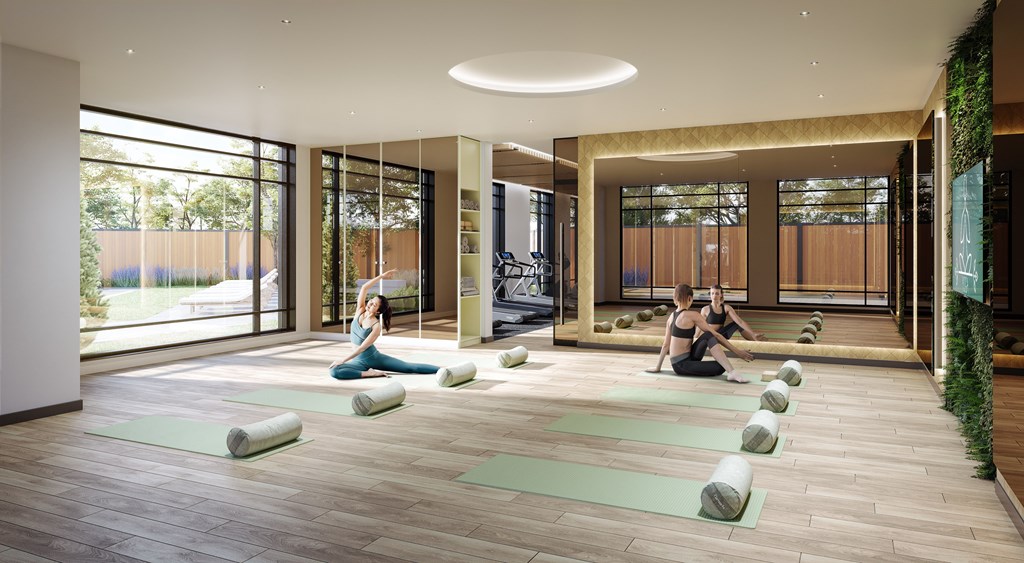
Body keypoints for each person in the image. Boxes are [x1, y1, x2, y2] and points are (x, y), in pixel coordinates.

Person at [329, 269, 439, 379]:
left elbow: (362, 348)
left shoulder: (376, 326)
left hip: (373, 358)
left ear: (378, 311)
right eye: (372, 300)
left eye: (374, 304)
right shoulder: (360, 310)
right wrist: (381, 276)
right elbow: (364, 288)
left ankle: (442, 369)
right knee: (334, 371)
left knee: (409, 367)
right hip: (358, 360)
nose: (370, 303)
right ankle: (369, 374)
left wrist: (343, 360)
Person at [646, 283, 753, 382]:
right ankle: (732, 372)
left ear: (676, 298)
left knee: (708, 336)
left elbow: (665, 345)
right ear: (689, 298)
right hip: (682, 365)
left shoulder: (671, 317)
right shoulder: (693, 315)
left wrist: (657, 367)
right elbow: (716, 334)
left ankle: (732, 372)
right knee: (720, 366)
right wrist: (738, 352)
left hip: (680, 361)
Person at [691, 283, 767, 360]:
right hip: (712, 336)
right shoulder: (705, 309)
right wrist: (695, 338)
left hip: (723, 335)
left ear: (721, 295)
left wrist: (752, 333)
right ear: (710, 294)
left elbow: (739, 321)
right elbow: (699, 326)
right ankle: (756, 340)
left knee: (736, 324)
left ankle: (755, 339)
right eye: (712, 293)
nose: (714, 296)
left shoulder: (726, 308)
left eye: (717, 293)